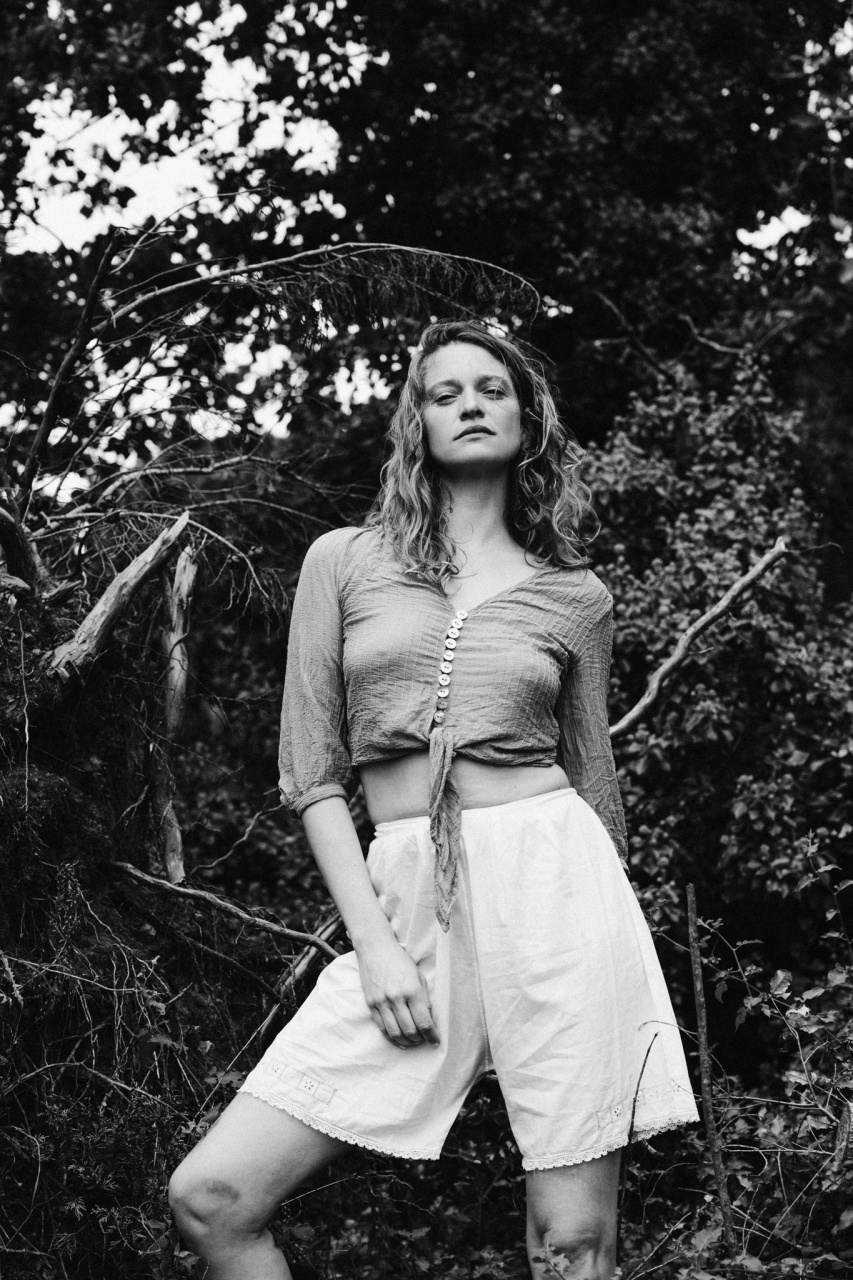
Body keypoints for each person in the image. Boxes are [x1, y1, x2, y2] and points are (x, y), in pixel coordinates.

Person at [168, 319, 698, 1279]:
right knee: (213, 1197)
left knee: (572, 1245)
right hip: (407, 900)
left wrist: (608, 960)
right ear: (415, 422)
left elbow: (594, 779)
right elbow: (312, 773)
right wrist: (373, 942)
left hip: (556, 889)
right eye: (443, 392)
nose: (470, 405)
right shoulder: (344, 561)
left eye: (491, 390)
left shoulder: (575, 595)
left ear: (527, 419)